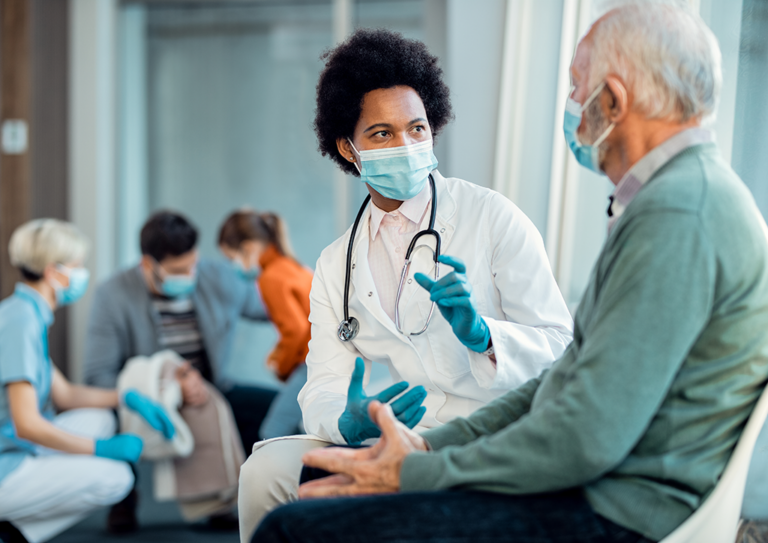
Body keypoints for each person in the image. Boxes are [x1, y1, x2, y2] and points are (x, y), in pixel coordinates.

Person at [252, 4, 768, 543]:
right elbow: (564, 384)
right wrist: (426, 449)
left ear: (612, 99)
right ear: (348, 148)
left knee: (293, 531)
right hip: (599, 483)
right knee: (317, 480)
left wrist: (419, 468)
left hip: (616, 507)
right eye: (381, 134)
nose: (571, 106)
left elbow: (587, 435)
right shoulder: (673, 202)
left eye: (575, 87)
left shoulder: (679, 216)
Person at [237, 28, 574, 541]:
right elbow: (324, 384)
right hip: (390, 437)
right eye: (382, 134)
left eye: (417, 128)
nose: (407, 145)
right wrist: (345, 422)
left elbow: (562, 347)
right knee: (264, 473)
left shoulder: (492, 218)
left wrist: (485, 337)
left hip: (485, 437)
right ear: (347, 148)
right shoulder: (336, 263)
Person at [83, 210, 276, 533]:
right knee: (107, 418)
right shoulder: (112, 295)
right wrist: (165, 386)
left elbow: (268, 308)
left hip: (211, 389)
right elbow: (98, 376)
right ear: (148, 264)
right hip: (149, 396)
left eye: (192, 265)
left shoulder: (218, 277)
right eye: (177, 270)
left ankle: (229, 497)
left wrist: (302, 286)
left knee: (274, 409)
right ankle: (124, 497)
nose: (188, 274)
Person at [0, 219, 175, 543]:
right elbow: (27, 424)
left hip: (15, 446)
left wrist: (125, 396)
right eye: (78, 266)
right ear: (54, 273)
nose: (83, 274)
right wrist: (101, 449)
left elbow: (64, 394)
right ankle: (13, 533)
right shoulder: (21, 323)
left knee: (100, 418)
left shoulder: (24, 313)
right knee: (116, 478)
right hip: (7, 462)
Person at [218, 210, 313, 440]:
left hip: (313, 364)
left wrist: (281, 367)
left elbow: (296, 331)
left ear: (248, 248)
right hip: (326, 359)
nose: (234, 267)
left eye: (232, 259)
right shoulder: (292, 265)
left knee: (272, 434)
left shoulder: (271, 277)